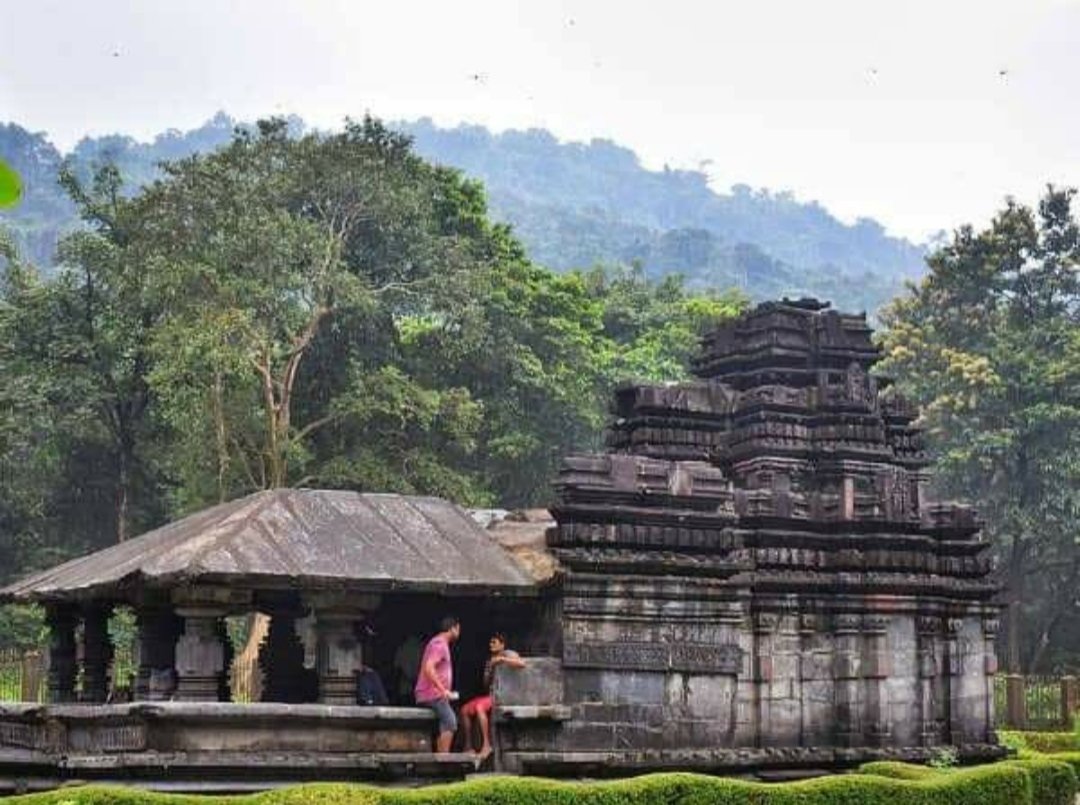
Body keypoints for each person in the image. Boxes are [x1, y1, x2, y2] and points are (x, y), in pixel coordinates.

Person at [460, 632, 525, 760]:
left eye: (494, 642)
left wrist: (502, 660)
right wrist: (489, 670)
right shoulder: (490, 660)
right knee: (464, 710)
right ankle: (468, 745)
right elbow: (486, 684)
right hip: (491, 694)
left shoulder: (508, 654)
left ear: (502, 644)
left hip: (504, 696)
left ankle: (486, 745)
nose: (491, 645)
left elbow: (522, 664)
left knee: (480, 707)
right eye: (490, 643)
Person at [414, 615, 461, 753]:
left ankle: (441, 757)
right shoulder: (439, 644)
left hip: (433, 694)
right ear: (452, 629)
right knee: (451, 722)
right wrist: (443, 690)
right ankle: (444, 758)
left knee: (445, 722)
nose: (459, 632)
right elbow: (429, 667)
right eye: (458, 629)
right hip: (432, 694)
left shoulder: (439, 643)